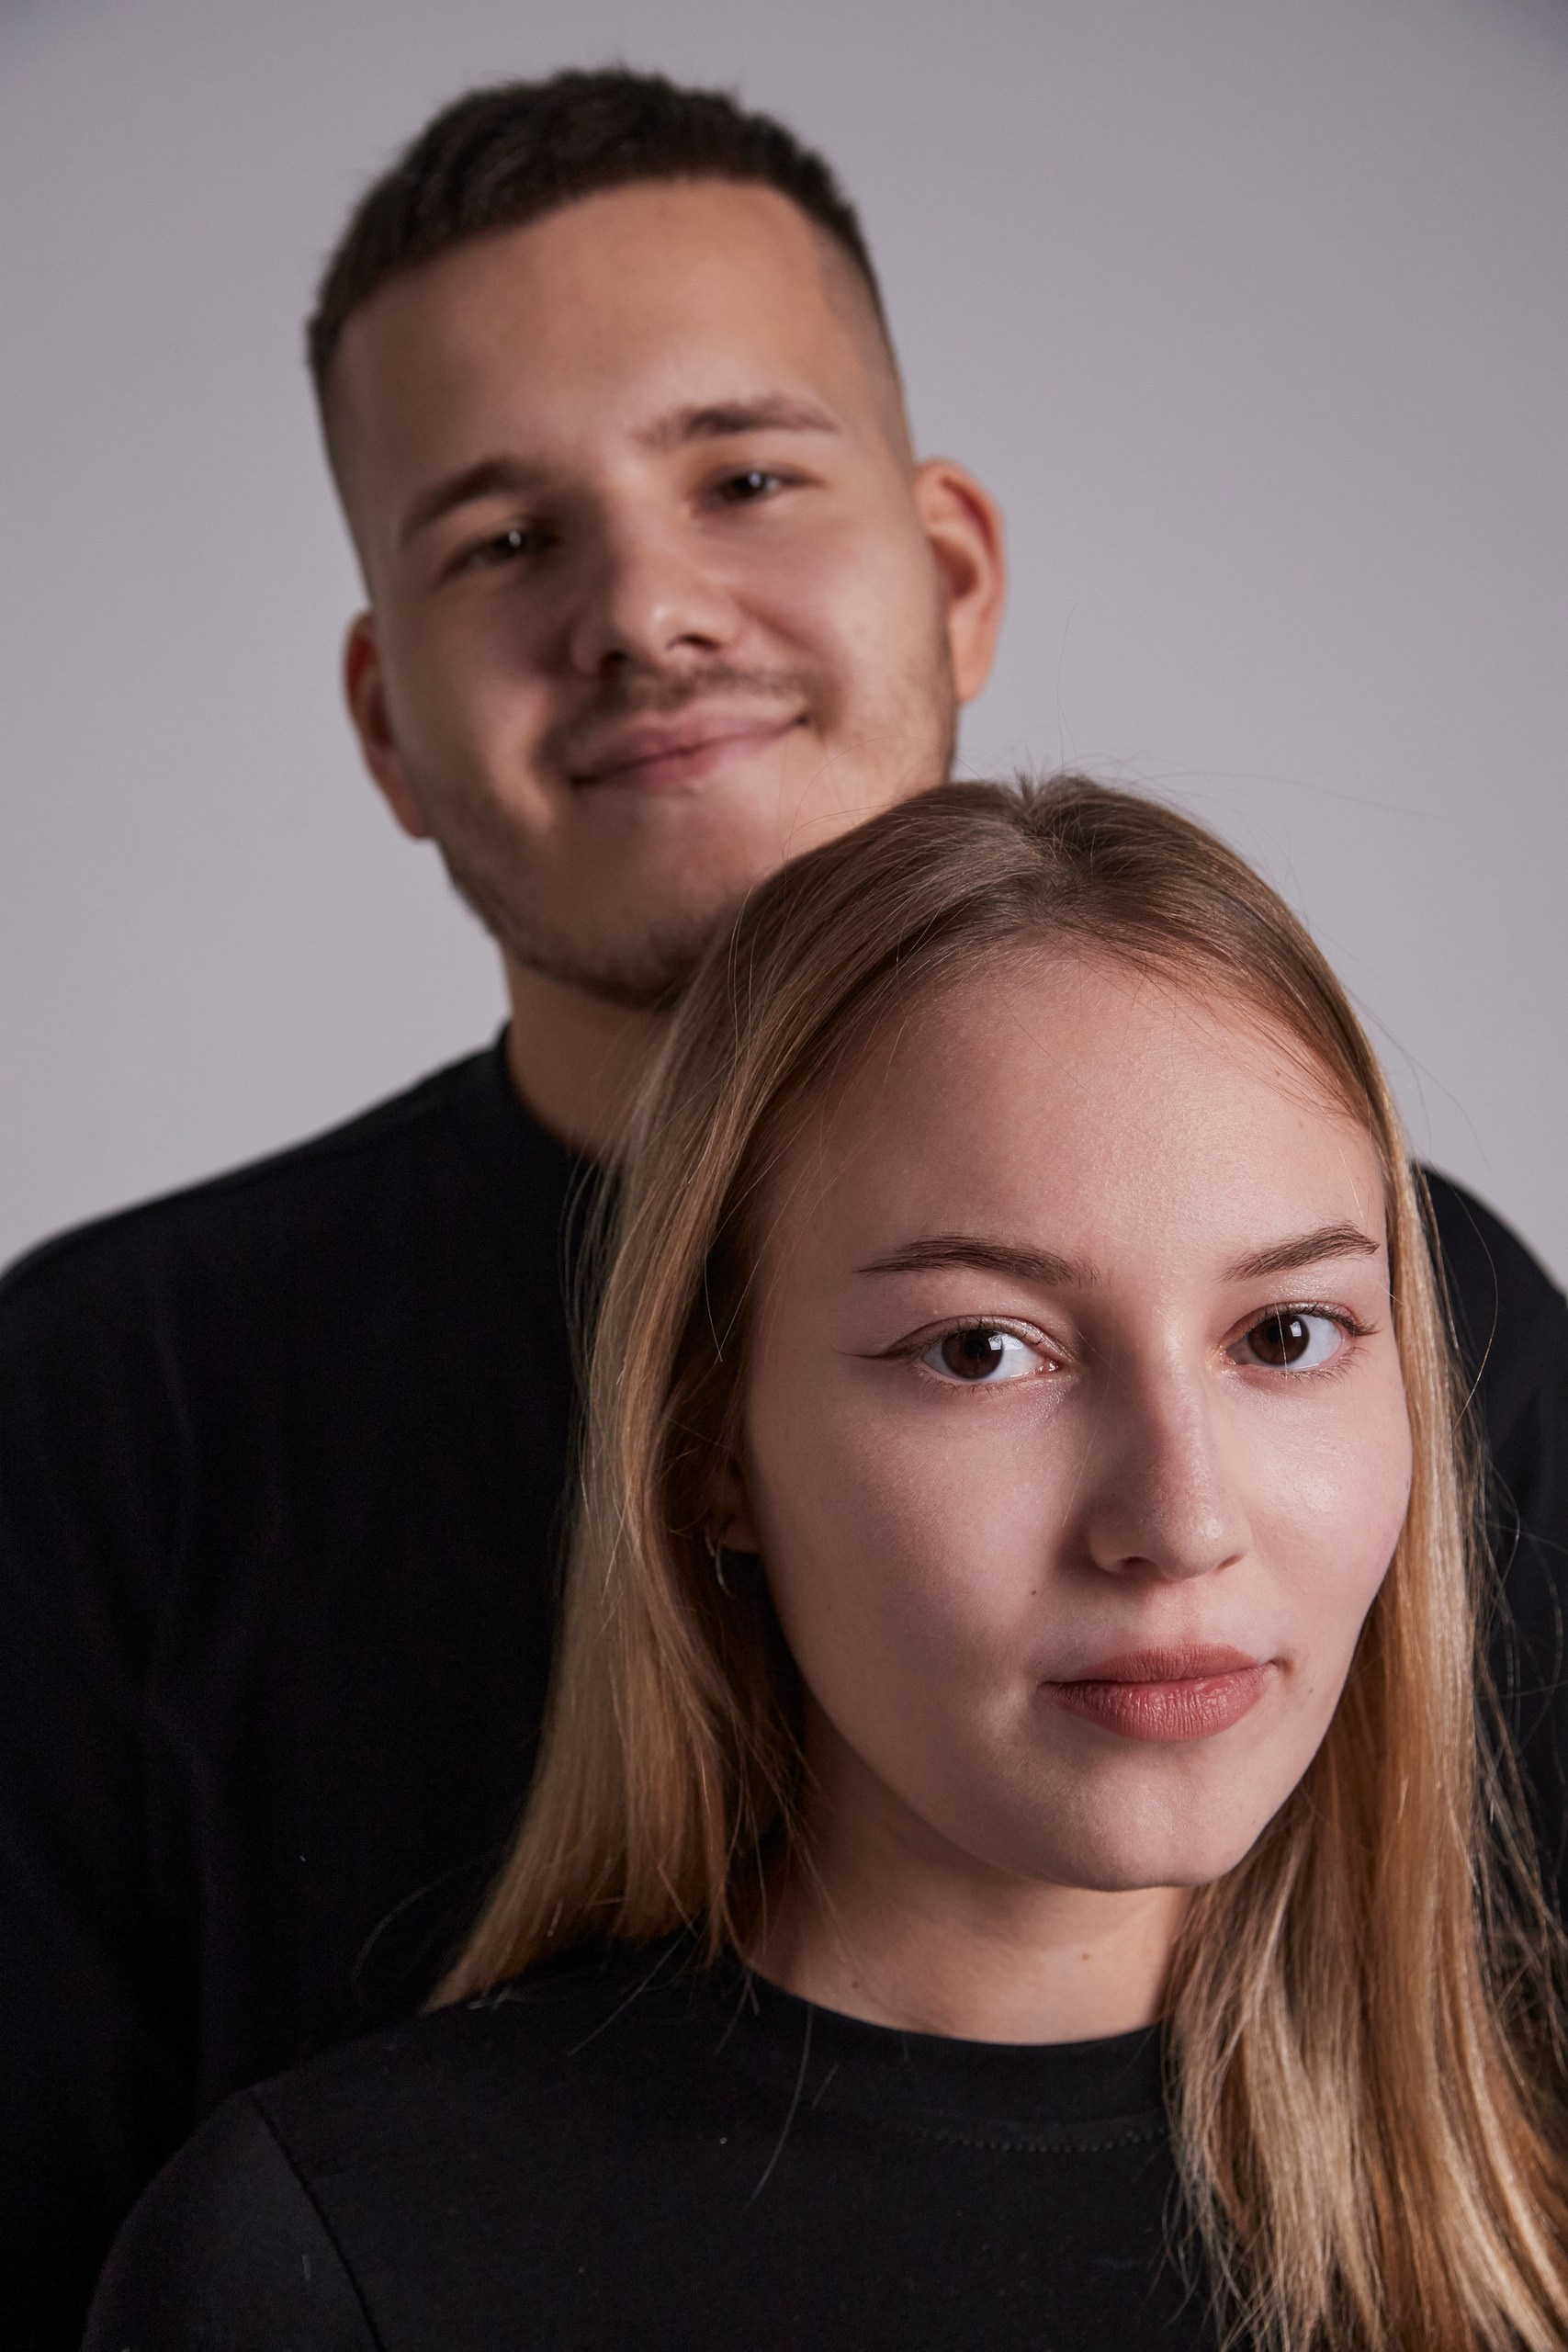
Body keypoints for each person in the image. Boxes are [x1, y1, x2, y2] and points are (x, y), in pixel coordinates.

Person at [2, 67, 1563, 2350]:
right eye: (501, 539)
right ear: (384, 716)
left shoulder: (1442, 1318)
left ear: (951, 570)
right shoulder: (100, 1402)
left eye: (742, 476)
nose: (646, 610)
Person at [85, 780, 1568, 2352]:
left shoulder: (1528, 2223)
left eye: (1287, 1334)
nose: (1182, 1519)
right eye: (981, 1350)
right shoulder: (325, 2270)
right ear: (708, 1447)